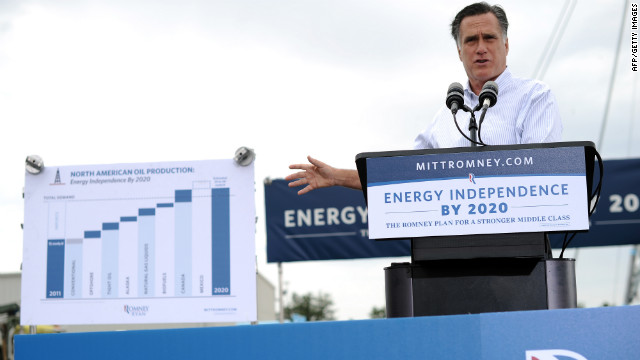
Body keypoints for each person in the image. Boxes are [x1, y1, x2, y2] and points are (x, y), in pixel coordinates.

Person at [286, 2, 562, 194]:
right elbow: (406, 173)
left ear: (506, 44)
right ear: (458, 51)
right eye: (470, 41)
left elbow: (542, 174)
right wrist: (338, 176)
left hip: (523, 254)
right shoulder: (447, 116)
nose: (480, 49)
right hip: (452, 254)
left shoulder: (534, 97)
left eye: (489, 38)